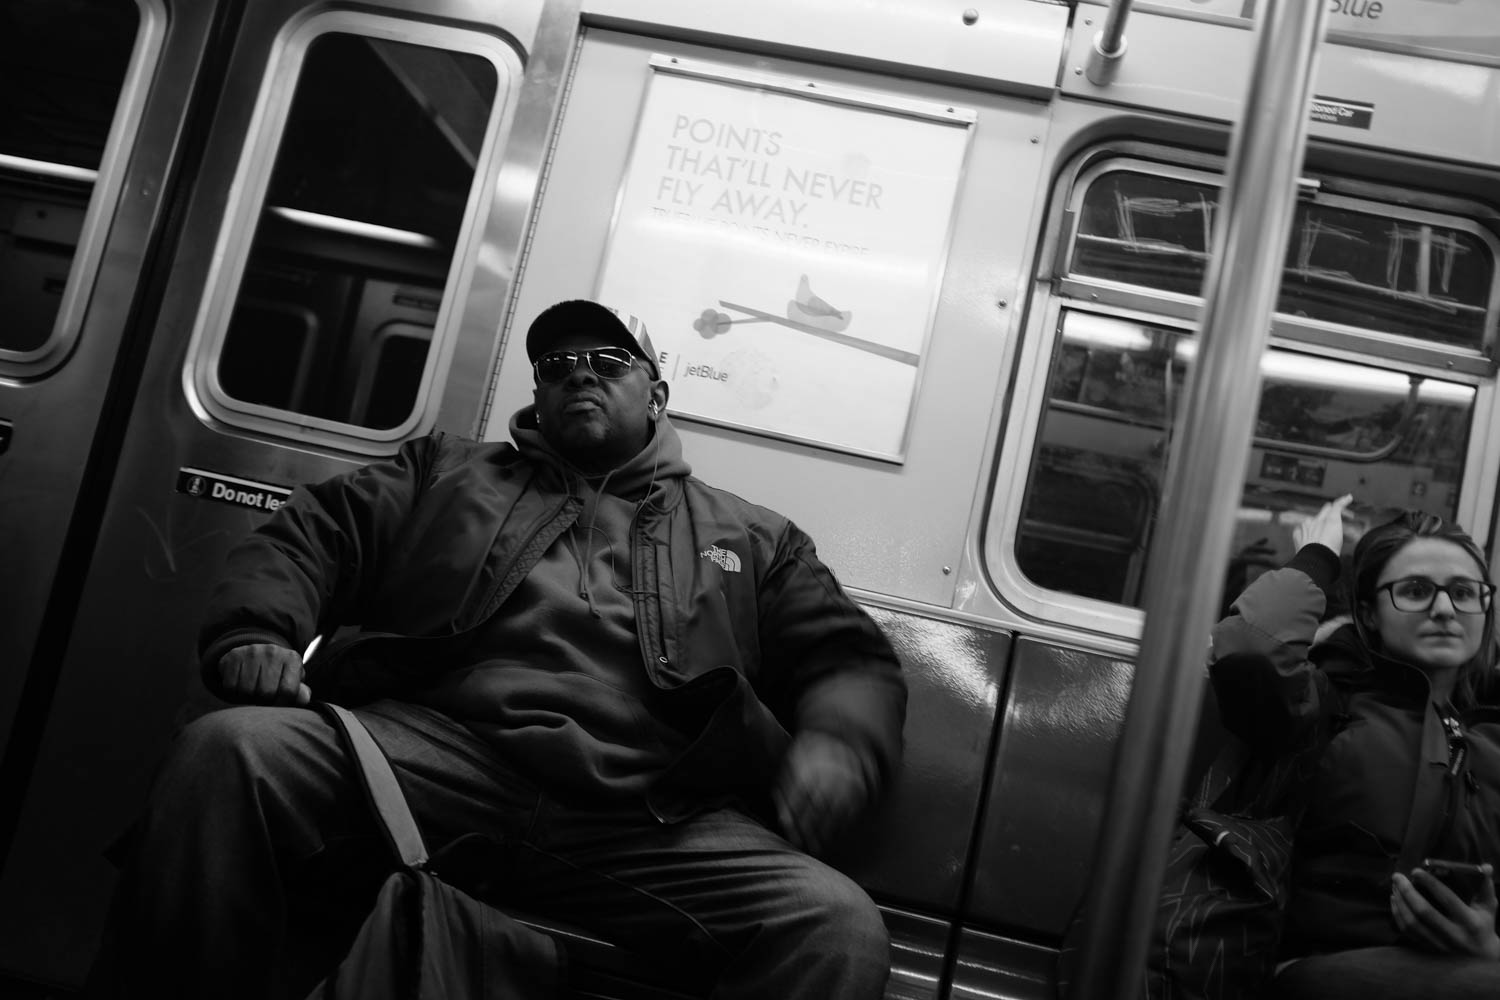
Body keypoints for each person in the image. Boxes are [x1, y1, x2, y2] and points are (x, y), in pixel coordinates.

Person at [88, 299, 907, 999]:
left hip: (644, 815)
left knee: (835, 927)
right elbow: (315, 535)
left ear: (657, 394)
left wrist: (838, 744)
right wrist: (258, 630)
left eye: (606, 360)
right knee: (229, 752)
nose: (577, 373)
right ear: (540, 396)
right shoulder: (446, 473)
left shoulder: (753, 538)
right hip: (432, 759)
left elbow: (845, 658)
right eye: (556, 365)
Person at [1211, 493, 1500, 998]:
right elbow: (1250, 650)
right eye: (1415, 590)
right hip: (1318, 970)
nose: (1443, 609)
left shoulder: (1491, 738)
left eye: (1463, 592)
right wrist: (1318, 559)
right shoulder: (1329, 702)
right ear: (1368, 615)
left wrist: (1489, 949)